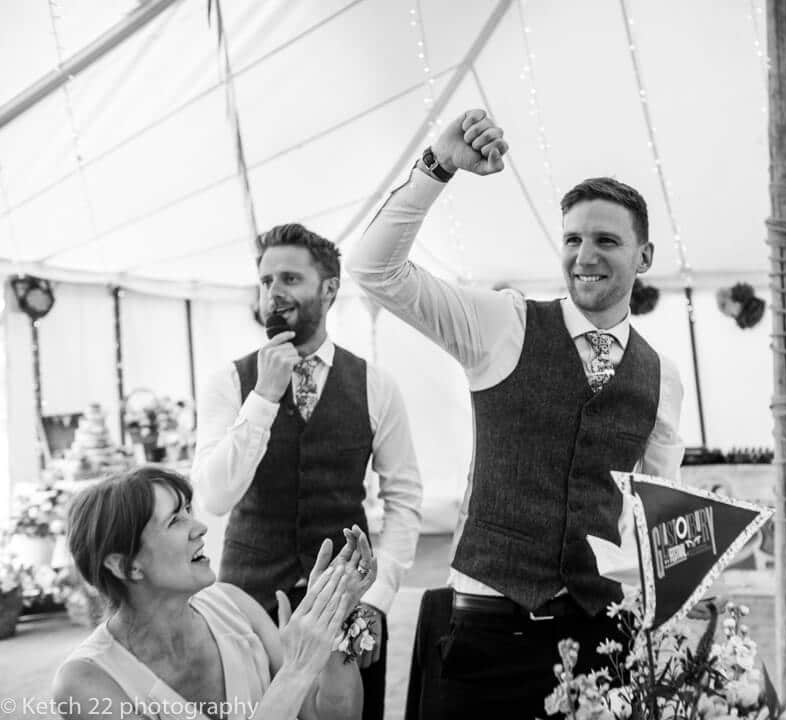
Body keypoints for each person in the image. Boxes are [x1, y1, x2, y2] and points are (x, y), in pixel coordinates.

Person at [346, 108, 684, 717]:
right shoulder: (505, 323)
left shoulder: (663, 377)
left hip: (599, 638)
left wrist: (677, 593)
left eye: (607, 240)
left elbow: (657, 507)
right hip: (487, 635)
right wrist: (437, 166)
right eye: (574, 238)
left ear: (645, 256)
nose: (585, 254)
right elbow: (375, 270)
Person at [191, 223, 423, 720]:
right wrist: (264, 397)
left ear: (330, 288)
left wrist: (377, 599)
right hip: (246, 603)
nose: (274, 293)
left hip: (344, 605)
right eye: (266, 280)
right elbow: (213, 496)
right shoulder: (229, 383)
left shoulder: (376, 386)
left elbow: (404, 498)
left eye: (290, 279)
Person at [52, 466, 375, 720]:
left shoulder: (234, 605)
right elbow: (297, 676)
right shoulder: (84, 681)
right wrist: (297, 669)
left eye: (189, 511)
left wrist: (334, 618)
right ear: (126, 566)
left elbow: (337, 716)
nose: (199, 527)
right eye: (175, 520)